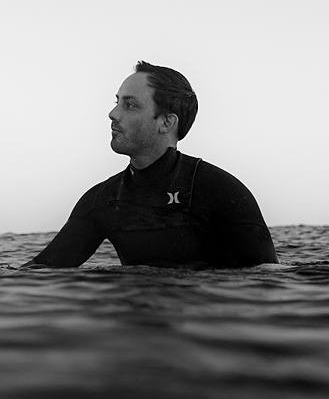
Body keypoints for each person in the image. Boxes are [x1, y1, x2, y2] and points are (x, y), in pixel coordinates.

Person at [28, 62, 278, 268]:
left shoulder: (220, 190)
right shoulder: (103, 200)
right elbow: (40, 273)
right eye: (116, 102)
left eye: (130, 105)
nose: (113, 114)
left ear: (167, 123)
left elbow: (270, 281)